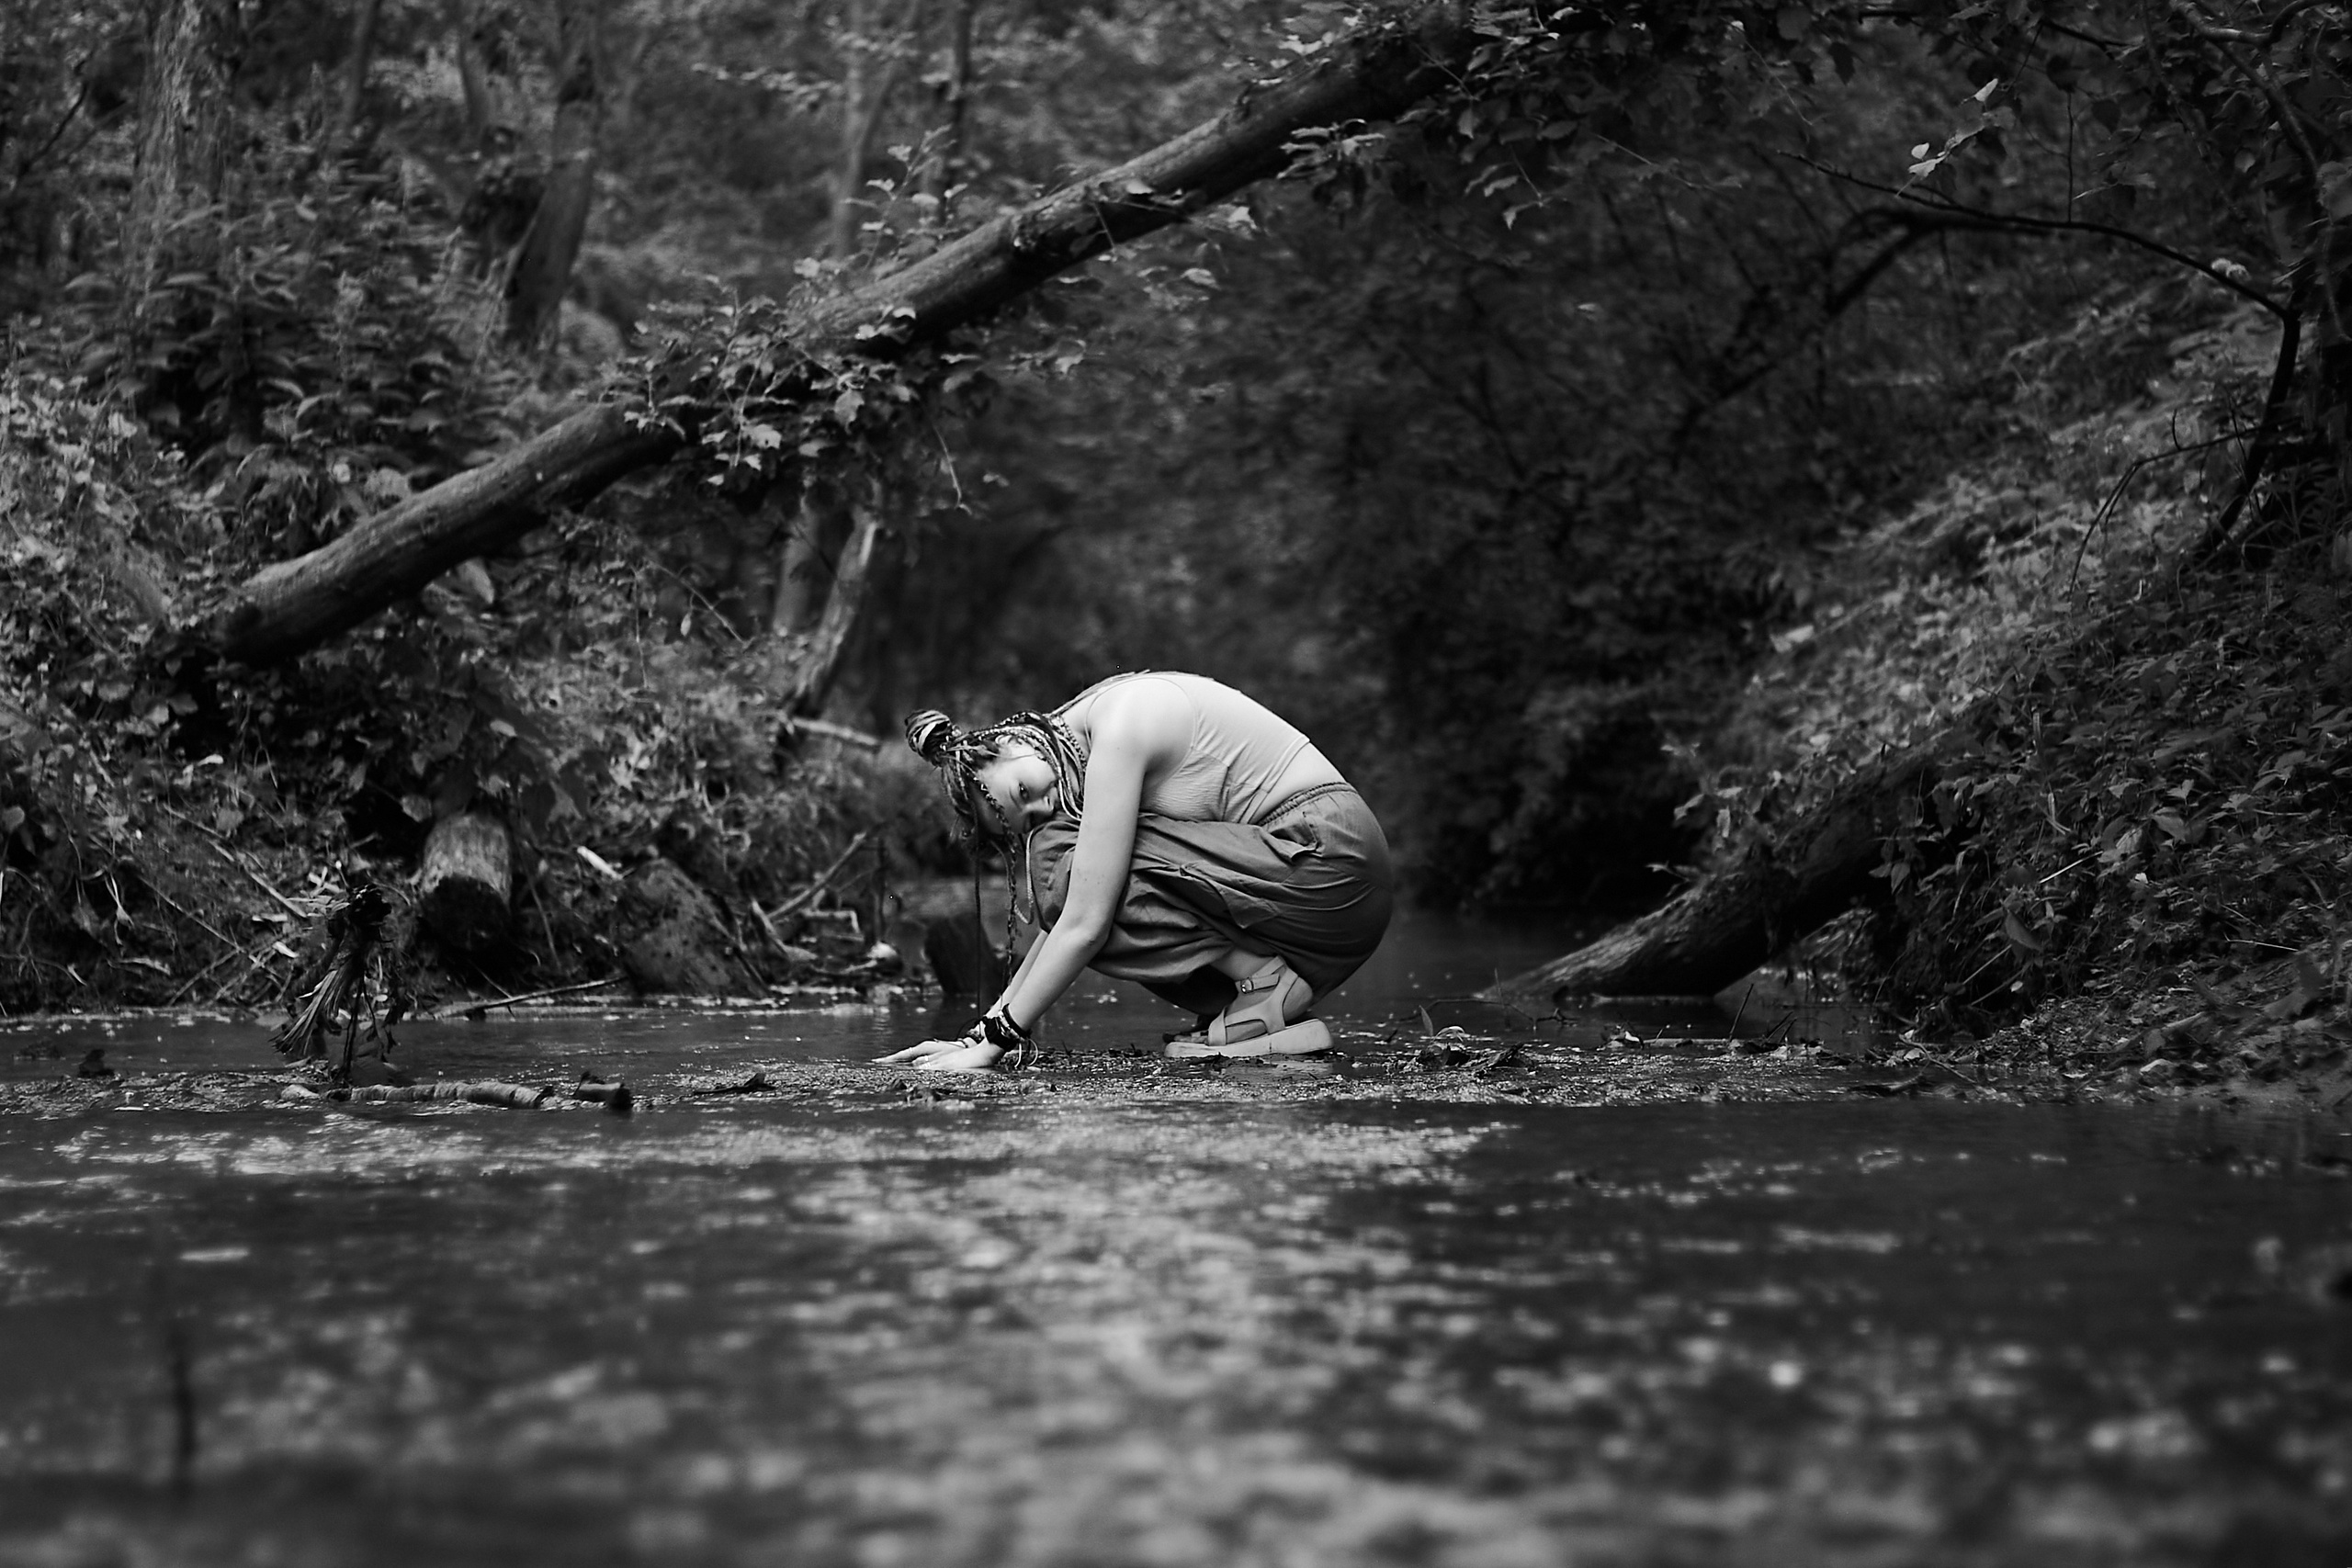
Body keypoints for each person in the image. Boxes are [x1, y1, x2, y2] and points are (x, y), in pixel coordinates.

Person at [879, 671, 1394, 1072]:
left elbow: (1084, 919)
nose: (1044, 804)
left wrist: (998, 1041)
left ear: (1011, 744)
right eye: (1026, 815)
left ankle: (1264, 983)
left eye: (1022, 791)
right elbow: (1069, 912)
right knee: (1063, 858)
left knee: (1056, 856)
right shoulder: (1072, 747)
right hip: (1323, 886)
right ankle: (1259, 994)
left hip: (1326, 856)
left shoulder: (1118, 728)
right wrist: (981, 1033)